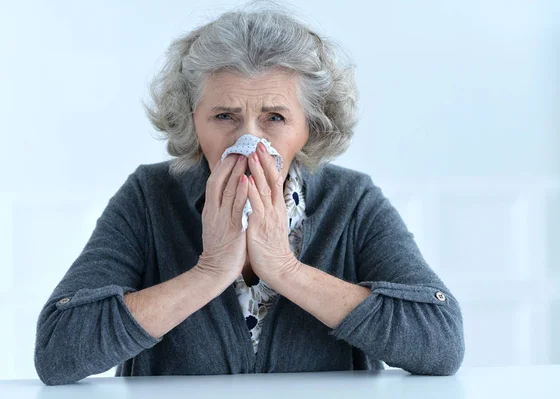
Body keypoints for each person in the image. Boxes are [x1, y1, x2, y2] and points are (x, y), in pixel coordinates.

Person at [34, 4, 464, 386]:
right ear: (192, 121)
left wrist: (284, 269)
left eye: (274, 117)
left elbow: (440, 343)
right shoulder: (149, 197)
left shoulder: (351, 201)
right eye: (225, 116)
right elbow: (58, 352)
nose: (249, 142)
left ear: (311, 126)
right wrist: (209, 271)